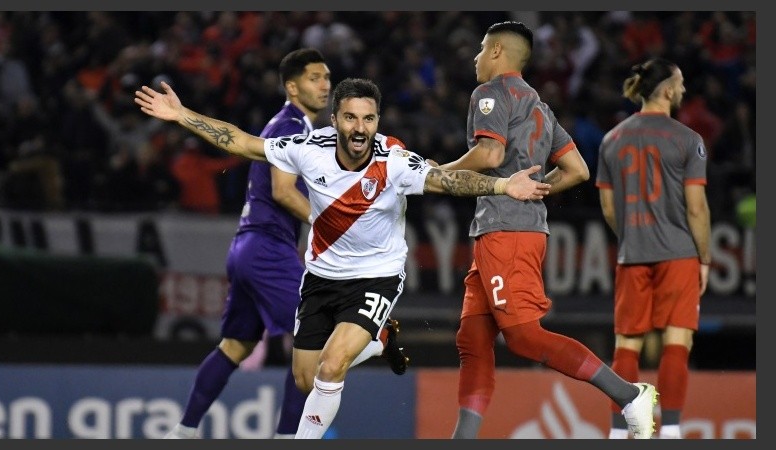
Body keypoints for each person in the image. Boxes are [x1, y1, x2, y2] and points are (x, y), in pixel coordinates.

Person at [135, 76, 552, 439]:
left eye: (368, 120)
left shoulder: (394, 162)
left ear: (377, 123)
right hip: (320, 279)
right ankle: (378, 340)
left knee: (332, 365)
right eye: (351, 118)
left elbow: (447, 180)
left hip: (376, 277)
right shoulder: (306, 148)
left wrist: (501, 188)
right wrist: (182, 115)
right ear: (334, 119)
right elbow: (242, 142)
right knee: (304, 377)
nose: (360, 128)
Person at [158, 49, 408, 440]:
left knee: (236, 345)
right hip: (268, 250)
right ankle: (290, 434)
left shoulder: (296, 127)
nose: (324, 84)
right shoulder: (292, 127)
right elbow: (281, 191)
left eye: (327, 77)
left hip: (246, 246)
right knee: (321, 345)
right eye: (314, 78)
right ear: (292, 87)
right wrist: (336, 225)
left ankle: (183, 431)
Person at [432, 21, 658, 439]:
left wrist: (438, 174)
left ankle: (629, 395)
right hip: (509, 231)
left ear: (498, 51)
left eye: (482, 49)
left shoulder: (490, 94)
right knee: (473, 337)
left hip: (506, 233)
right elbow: (577, 170)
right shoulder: (539, 106)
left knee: (522, 337)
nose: (476, 58)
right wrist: (535, 190)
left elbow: (489, 152)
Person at [596, 58, 711, 440]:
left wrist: (632, 235)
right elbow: (696, 207)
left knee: (627, 345)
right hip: (679, 254)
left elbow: (609, 209)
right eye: (679, 82)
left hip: (633, 253)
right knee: (677, 341)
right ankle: (672, 432)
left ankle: (617, 432)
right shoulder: (688, 139)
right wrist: (705, 258)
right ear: (665, 89)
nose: (683, 89)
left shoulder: (611, 140)